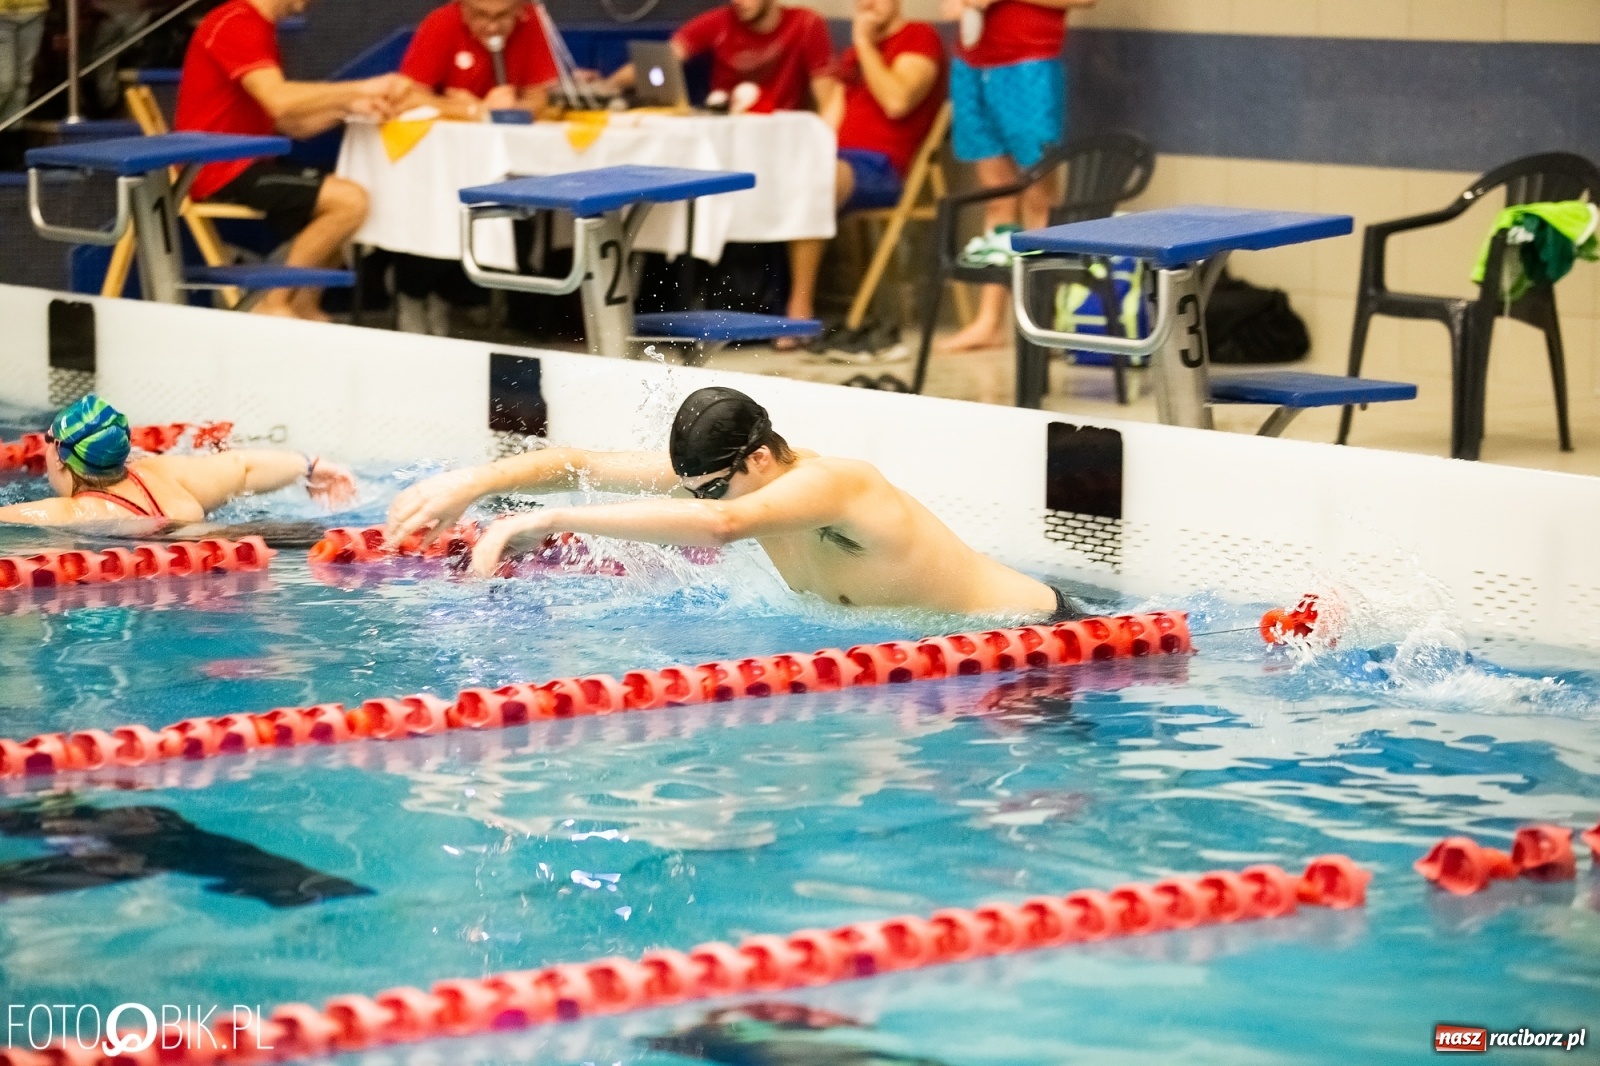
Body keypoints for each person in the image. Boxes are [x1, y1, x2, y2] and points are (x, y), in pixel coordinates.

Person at [386, 387, 1086, 621]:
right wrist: (470, 483)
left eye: (712, 487)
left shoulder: (836, 485)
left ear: (758, 459)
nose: (699, 501)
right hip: (967, 658)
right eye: (694, 489)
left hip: (1049, 641)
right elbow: (581, 464)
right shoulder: (729, 480)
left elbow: (720, 524)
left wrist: (541, 519)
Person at [604, 0, 837, 331]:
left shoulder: (806, 24)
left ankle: (799, 306)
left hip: (782, 149)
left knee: (807, 184)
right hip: (723, 149)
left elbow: (830, 97)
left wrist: (828, 146)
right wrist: (609, 85)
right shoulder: (719, 21)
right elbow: (666, 58)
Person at [174, 0, 410, 321]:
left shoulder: (257, 27)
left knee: (356, 195)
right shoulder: (235, 21)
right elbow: (280, 101)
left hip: (242, 162)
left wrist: (352, 107)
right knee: (350, 201)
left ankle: (302, 305)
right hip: (216, 167)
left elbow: (291, 124)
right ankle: (272, 301)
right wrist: (359, 87)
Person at [390, 0, 560, 337]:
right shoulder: (440, 24)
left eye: (501, 18)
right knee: (434, 218)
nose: (492, 26)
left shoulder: (533, 24)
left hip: (502, 164)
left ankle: (457, 299)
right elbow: (408, 96)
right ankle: (412, 295)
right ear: (463, 10)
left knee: (514, 217)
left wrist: (511, 107)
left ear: (519, 12)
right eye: (481, 16)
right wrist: (473, 110)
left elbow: (539, 98)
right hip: (436, 165)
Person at [784, 0, 945, 344]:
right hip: (837, 160)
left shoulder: (920, 37)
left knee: (817, 180)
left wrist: (864, 44)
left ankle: (798, 311)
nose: (867, 4)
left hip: (882, 168)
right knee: (785, 174)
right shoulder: (854, 56)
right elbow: (829, 123)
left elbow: (898, 100)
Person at [939, 0, 1094, 352]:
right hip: (972, 63)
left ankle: (1043, 320)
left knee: (1040, 200)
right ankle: (989, 321)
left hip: (1029, 67)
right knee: (997, 200)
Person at [0, 395, 356, 528]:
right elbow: (242, 469)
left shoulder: (74, 513)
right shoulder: (162, 473)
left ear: (60, 458)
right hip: (236, 553)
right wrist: (310, 464)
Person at [0, 0, 46, 128]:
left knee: (22, 81)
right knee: (4, 82)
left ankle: (12, 137)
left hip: (35, 9)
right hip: (2, 14)